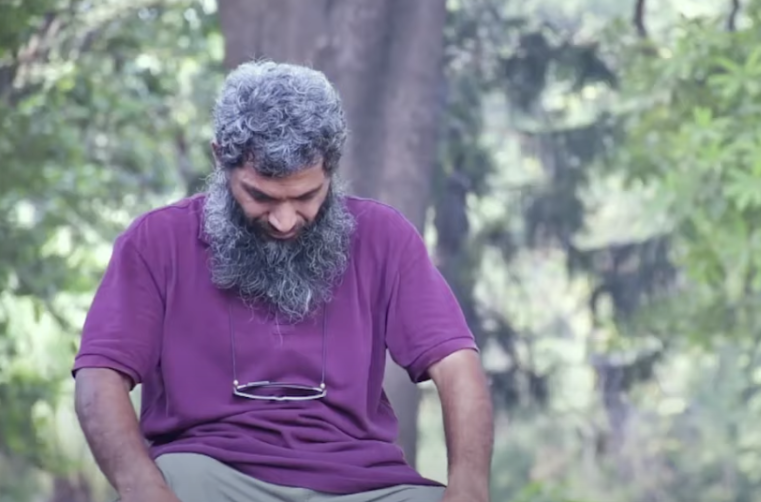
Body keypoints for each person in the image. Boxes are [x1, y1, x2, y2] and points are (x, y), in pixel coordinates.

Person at [71, 60, 494, 502]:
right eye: (261, 196)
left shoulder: (385, 236)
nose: (285, 219)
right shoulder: (154, 242)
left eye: (307, 196)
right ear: (220, 158)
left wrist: (470, 485)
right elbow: (100, 377)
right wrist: (142, 489)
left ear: (331, 169)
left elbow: (456, 365)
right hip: (208, 472)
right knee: (174, 479)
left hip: (365, 483)